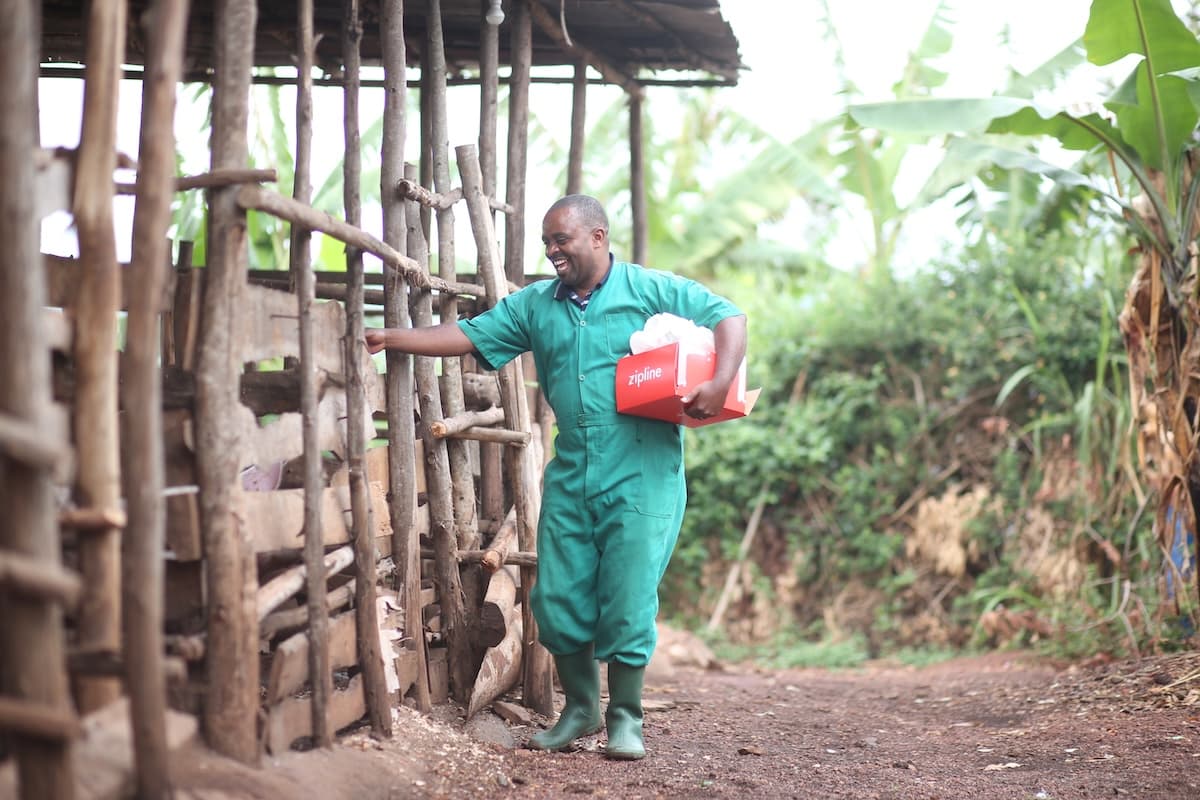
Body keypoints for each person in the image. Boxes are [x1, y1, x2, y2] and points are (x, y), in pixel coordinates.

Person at [366, 194, 747, 760]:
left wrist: (718, 383)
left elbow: (728, 316)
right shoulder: (537, 305)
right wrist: (393, 338)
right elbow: (470, 335)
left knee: (628, 594)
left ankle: (626, 718)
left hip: (643, 471)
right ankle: (580, 711)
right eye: (547, 241)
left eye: (560, 239)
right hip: (573, 472)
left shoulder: (648, 289)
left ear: (597, 237)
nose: (551, 251)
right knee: (558, 595)